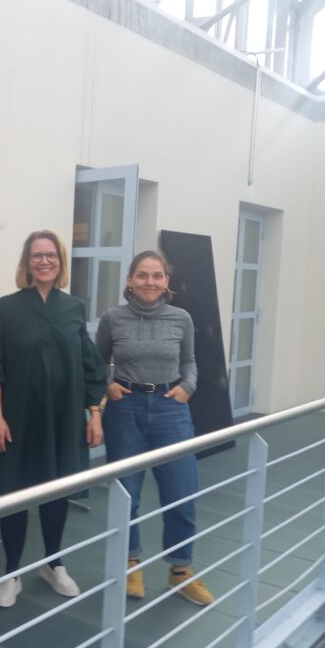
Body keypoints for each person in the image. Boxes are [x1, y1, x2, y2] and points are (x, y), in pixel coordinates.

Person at [0, 229, 107, 608]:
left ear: (61, 261)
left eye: (50, 255)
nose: (44, 261)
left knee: (57, 490)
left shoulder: (75, 308)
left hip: (63, 419)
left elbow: (89, 366)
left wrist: (94, 414)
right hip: (17, 417)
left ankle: (53, 563)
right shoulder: (7, 307)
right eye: (36, 255)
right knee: (13, 493)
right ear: (26, 262)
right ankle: (11, 573)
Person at [96, 250, 214, 605]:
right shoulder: (113, 318)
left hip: (170, 409)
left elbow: (190, 361)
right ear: (130, 281)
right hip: (125, 408)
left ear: (167, 282)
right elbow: (97, 361)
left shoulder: (182, 318)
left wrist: (187, 388)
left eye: (157, 276)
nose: (150, 282)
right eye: (143, 275)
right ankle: (130, 564)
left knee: (181, 491)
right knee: (127, 494)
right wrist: (108, 384)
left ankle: (180, 570)